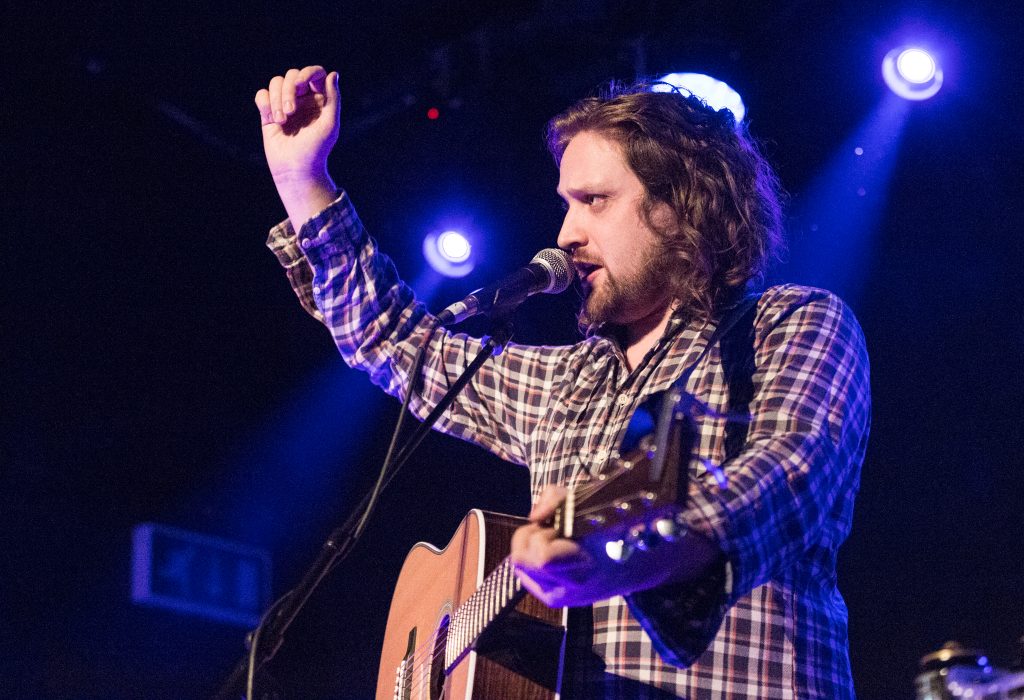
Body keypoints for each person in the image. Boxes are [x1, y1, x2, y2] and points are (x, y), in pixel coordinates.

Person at [255, 65, 871, 698]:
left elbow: (791, 473)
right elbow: (397, 339)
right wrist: (302, 180)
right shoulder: (568, 380)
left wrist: (639, 556)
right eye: (566, 205)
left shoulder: (789, 323)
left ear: (684, 204)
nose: (565, 235)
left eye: (594, 201)